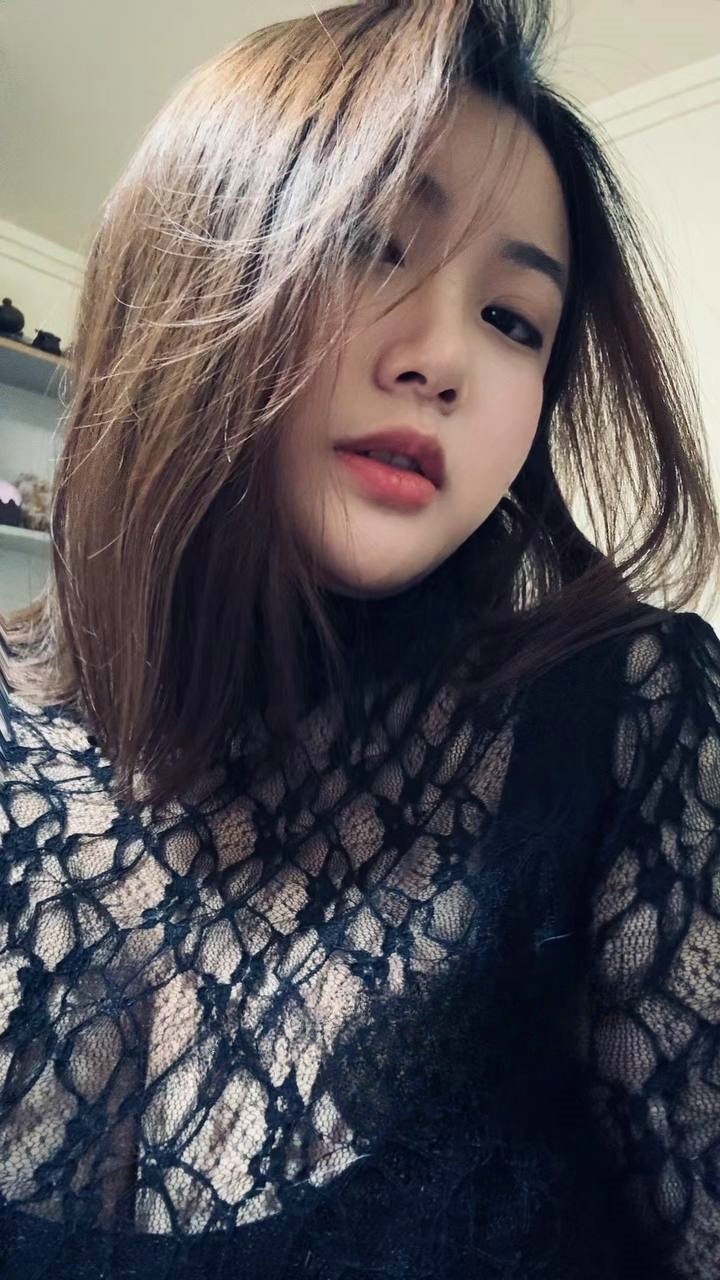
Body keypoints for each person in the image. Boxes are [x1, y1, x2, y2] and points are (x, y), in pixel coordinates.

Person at [1, 0, 719, 1275]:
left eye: (514, 320)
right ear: (187, 267)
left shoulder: (626, 724)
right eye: (372, 245)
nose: (445, 357)